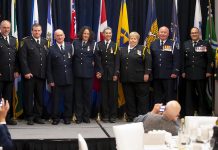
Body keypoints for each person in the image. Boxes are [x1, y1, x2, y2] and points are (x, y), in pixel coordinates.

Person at [19, 23, 48, 125]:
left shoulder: (45, 41)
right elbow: (22, 58)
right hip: (30, 75)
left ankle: (38, 116)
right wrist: (26, 72)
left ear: (41, 31)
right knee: (28, 97)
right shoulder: (25, 41)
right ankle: (29, 117)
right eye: (35, 30)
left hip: (41, 74)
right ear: (32, 31)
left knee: (39, 97)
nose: (37, 32)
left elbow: (45, 58)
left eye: (39, 30)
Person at [119, 32, 151, 122]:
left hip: (140, 78)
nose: (132, 40)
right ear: (129, 39)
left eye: (134, 39)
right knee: (129, 99)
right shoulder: (122, 49)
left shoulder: (143, 49)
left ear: (138, 40)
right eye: (131, 38)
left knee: (142, 99)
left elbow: (148, 62)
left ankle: (141, 118)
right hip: (126, 78)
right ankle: (131, 116)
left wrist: (147, 73)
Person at [181, 27, 213, 116]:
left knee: (202, 94)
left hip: (201, 73)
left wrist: (208, 71)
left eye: (195, 33)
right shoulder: (186, 44)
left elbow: (210, 59)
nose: (194, 34)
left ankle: (202, 113)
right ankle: (189, 113)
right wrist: (183, 71)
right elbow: (182, 60)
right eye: (192, 33)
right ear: (190, 34)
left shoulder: (205, 44)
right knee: (189, 95)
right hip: (189, 73)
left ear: (198, 34)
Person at [72, 26, 100, 124]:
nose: (86, 35)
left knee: (87, 96)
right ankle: (78, 117)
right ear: (81, 34)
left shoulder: (93, 44)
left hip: (88, 75)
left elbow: (96, 59)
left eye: (87, 34)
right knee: (78, 96)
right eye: (84, 33)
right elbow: (72, 57)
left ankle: (86, 116)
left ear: (90, 35)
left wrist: (99, 70)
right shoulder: (75, 42)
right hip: (77, 74)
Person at [47, 29, 73, 125]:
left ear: (64, 36)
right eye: (57, 35)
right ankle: (55, 118)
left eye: (61, 35)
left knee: (68, 100)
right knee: (56, 100)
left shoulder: (70, 46)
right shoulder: (51, 49)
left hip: (69, 79)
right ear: (54, 37)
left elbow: (73, 63)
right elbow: (48, 67)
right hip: (56, 80)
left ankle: (67, 117)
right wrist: (50, 80)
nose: (59, 37)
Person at [150, 26, 180, 104]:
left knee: (169, 96)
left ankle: (168, 114)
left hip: (169, 74)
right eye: (161, 32)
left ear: (168, 34)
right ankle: (158, 114)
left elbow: (176, 59)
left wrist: (175, 71)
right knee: (157, 95)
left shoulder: (172, 43)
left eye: (165, 32)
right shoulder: (153, 44)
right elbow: (150, 59)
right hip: (156, 75)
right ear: (158, 33)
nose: (163, 34)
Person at [96, 27, 119, 123]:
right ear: (103, 34)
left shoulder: (115, 45)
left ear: (111, 34)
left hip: (112, 74)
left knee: (113, 96)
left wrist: (116, 73)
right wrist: (100, 71)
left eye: (110, 33)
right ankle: (105, 115)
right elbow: (97, 60)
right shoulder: (99, 44)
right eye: (106, 33)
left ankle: (113, 115)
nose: (108, 34)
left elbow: (117, 61)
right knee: (104, 96)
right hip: (103, 74)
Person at [0, 20, 19, 125]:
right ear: (1, 28)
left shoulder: (13, 40)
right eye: (4, 27)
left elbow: (16, 57)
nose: (6, 29)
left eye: (8, 28)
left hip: (10, 74)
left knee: (8, 97)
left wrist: (16, 70)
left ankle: (7, 118)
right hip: (0, 74)